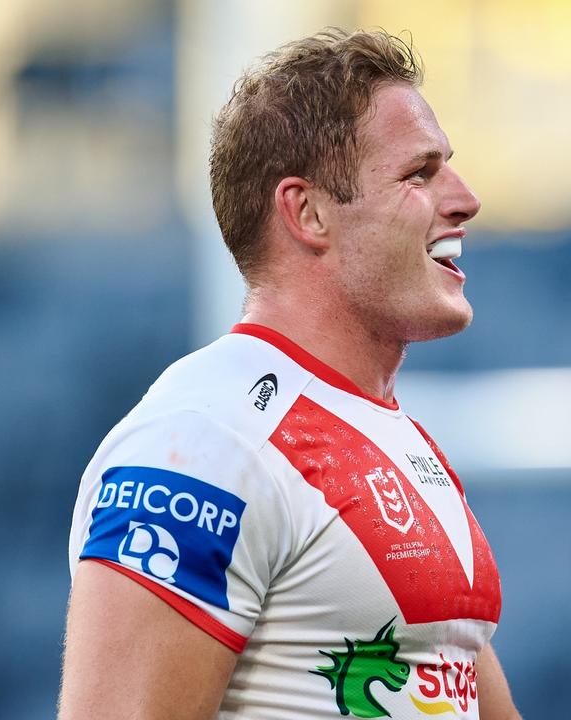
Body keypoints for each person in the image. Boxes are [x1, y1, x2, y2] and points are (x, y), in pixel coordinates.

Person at [59, 29, 521, 720]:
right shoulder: (202, 444)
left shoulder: (398, 441)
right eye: (419, 174)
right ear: (307, 212)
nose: (465, 199)